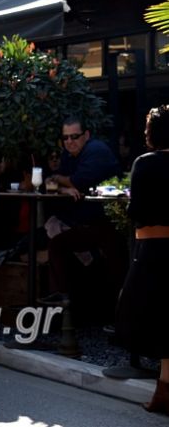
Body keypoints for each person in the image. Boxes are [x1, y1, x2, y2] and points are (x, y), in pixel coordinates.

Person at [115, 105, 169, 415]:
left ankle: (163, 392)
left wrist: (127, 202)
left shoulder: (145, 163)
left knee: (143, 315)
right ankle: (163, 390)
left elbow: (137, 213)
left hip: (152, 249)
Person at [40, 117, 124, 304]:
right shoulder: (69, 155)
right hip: (87, 223)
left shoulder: (96, 150)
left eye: (74, 136)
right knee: (56, 244)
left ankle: (119, 314)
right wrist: (63, 187)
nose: (69, 141)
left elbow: (74, 181)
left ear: (86, 135)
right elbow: (50, 182)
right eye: (66, 138)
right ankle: (65, 298)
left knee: (115, 268)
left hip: (112, 224)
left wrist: (61, 180)